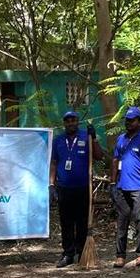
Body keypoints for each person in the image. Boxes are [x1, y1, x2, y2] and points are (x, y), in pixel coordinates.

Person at [49, 111, 103, 267]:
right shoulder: (58, 140)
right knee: (66, 222)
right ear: (64, 123)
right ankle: (68, 253)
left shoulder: (86, 137)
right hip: (64, 188)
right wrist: (52, 184)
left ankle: (81, 252)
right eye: (68, 120)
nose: (71, 123)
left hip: (83, 187)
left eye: (73, 120)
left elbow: (99, 156)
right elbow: (54, 163)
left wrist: (94, 138)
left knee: (81, 221)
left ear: (77, 122)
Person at [111, 106, 140, 268]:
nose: (128, 123)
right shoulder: (121, 139)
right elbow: (115, 161)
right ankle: (120, 255)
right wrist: (112, 183)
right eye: (127, 120)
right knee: (122, 221)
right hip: (122, 187)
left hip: (138, 187)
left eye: (132, 120)